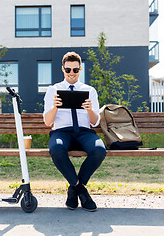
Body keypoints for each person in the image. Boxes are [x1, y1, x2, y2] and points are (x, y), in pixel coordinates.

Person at [43, 51, 107, 212]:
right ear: (63, 69)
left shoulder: (89, 90)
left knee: (99, 150)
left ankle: (73, 189)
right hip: (61, 132)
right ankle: (80, 188)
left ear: (80, 70)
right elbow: (47, 122)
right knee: (56, 148)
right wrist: (55, 107)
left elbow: (95, 121)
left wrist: (91, 110)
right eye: (68, 69)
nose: (72, 73)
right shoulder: (53, 90)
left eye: (75, 70)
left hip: (84, 132)